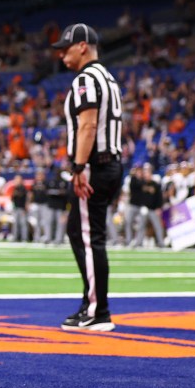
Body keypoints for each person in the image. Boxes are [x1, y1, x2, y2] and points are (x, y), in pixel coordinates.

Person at [52, 23, 123, 332]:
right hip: (108, 164)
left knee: (88, 238)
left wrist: (79, 168)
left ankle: (97, 309)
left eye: (65, 48)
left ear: (82, 46)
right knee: (81, 234)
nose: (61, 54)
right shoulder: (107, 77)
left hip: (94, 165)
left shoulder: (86, 79)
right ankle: (91, 304)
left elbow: (89, 126)